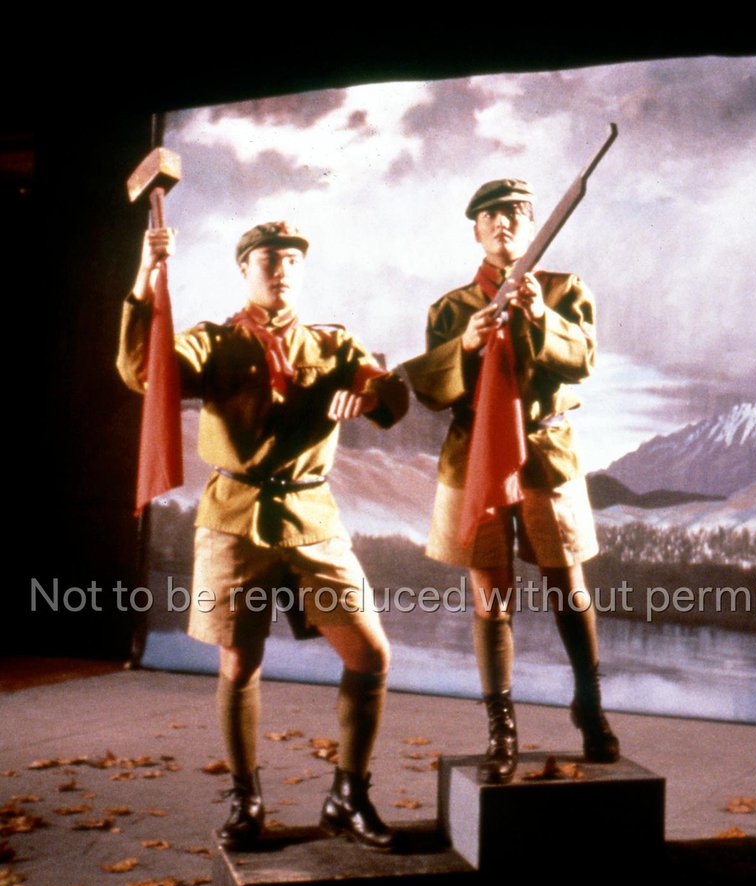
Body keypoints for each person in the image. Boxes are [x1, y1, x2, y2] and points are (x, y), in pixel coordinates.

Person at [118, 220, 408, 850]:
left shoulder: (332, 344)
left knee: (370, 656)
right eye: (269, 260)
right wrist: (145, 278)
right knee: (239, 662)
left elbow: (389, 395)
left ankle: (348, 796)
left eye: (292, 261)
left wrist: (369, 395)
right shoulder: (214, 343)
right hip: (234, 520)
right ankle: (246, 799)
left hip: (310, 519)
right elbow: (144, 370)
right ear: (244, 269)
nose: (282, 270)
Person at [403, 179, 619, 783]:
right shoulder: (450, 309)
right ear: (476, 230)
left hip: (546, 452)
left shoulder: (564, 290)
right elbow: (430, 389)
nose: (504, 223)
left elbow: (583, 359)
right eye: (491, 215)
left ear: (532, 225)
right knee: (490, 592)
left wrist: (540, 315)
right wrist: (466, 345)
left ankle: (589, 705)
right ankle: (502, 727)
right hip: (475, 455)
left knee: (567, 582)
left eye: (517, 213)